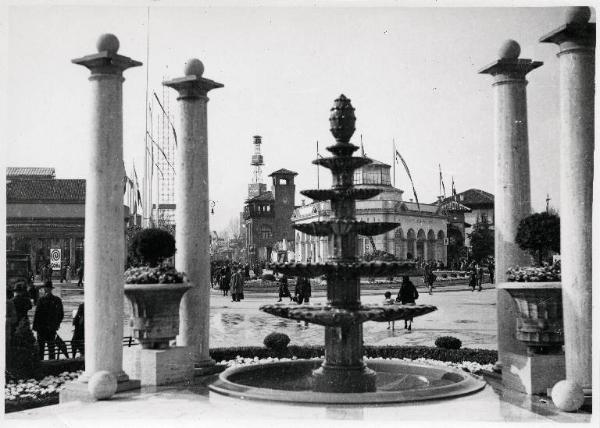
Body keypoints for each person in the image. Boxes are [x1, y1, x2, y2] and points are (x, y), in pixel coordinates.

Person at [32, 280, 64, 360]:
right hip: (51, 328)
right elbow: (61, 314)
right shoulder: (57, 300)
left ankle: (42, 366)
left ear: (45, 289)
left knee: (41, 349)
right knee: (51, 348)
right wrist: (56, 324)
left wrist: (35, 327)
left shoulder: (41, 300)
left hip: (42, 328)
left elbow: (37, 315)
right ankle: (52, 365)